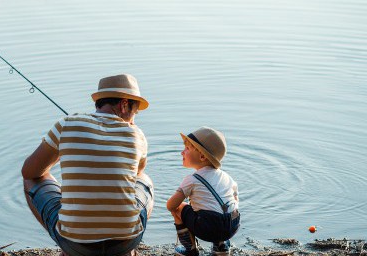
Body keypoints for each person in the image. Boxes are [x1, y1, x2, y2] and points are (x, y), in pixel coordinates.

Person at [21, 74, 154, 256]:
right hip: (125, 243)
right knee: (144, 179)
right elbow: (136, 176)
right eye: (134, 112)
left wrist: (65, 151)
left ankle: (67, 247)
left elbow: (29, 171)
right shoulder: (137, 135)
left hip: (75, 244)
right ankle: (128, 251)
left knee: (32, 179)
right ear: (124, 105)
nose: (133, 119)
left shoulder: (66, 125)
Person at [166, 127, 241, 256]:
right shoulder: (227, 177)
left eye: (187, 149)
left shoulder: (191, 179)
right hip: (233, 224)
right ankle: (221, 247)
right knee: (223, 208)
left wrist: (188, 206)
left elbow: (170, 205)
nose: (182, 152)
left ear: (201, 156)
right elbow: (235, 199)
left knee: (178, 208)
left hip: (209, 227)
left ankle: (190, 249)